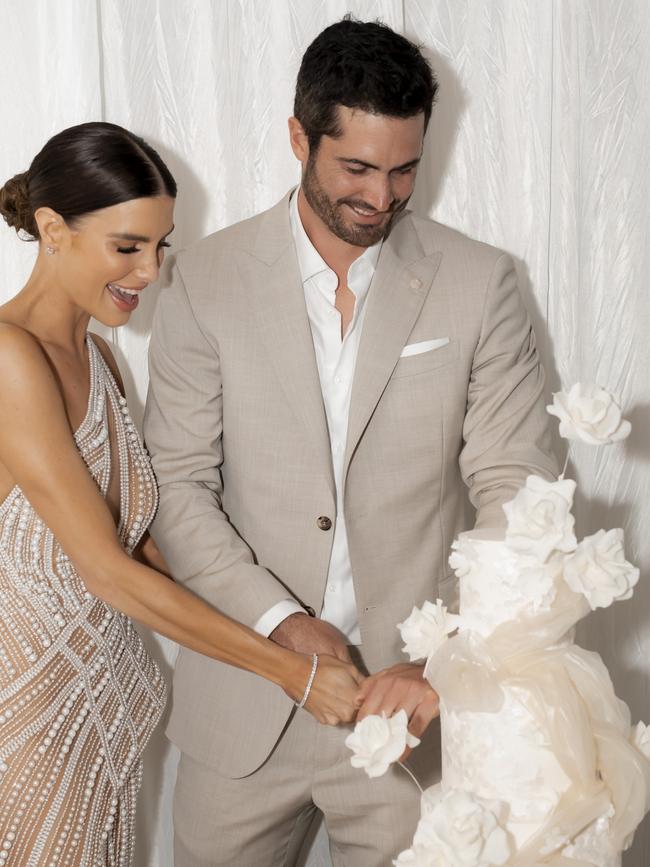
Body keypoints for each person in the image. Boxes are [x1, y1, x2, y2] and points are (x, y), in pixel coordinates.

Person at [144, 16, 558, 867]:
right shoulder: (202, 282)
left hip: (414, 712)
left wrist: (442, 653)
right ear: (299, 137)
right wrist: (282, 623)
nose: (383, 196)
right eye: (357, 169)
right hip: (247, 700)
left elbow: (518, 486)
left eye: (405, 169)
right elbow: (178, 487)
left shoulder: (482, 284)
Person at [0, 121, 362, 867]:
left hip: (107, 713)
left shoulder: (100, 355)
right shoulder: (7, 358)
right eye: (128, 245)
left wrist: (283, 625)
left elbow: (145, 543)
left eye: (161, 245)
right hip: (31, 723)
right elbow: (106, 569)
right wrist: (292, 674)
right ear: (51, 229)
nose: (152, 271)